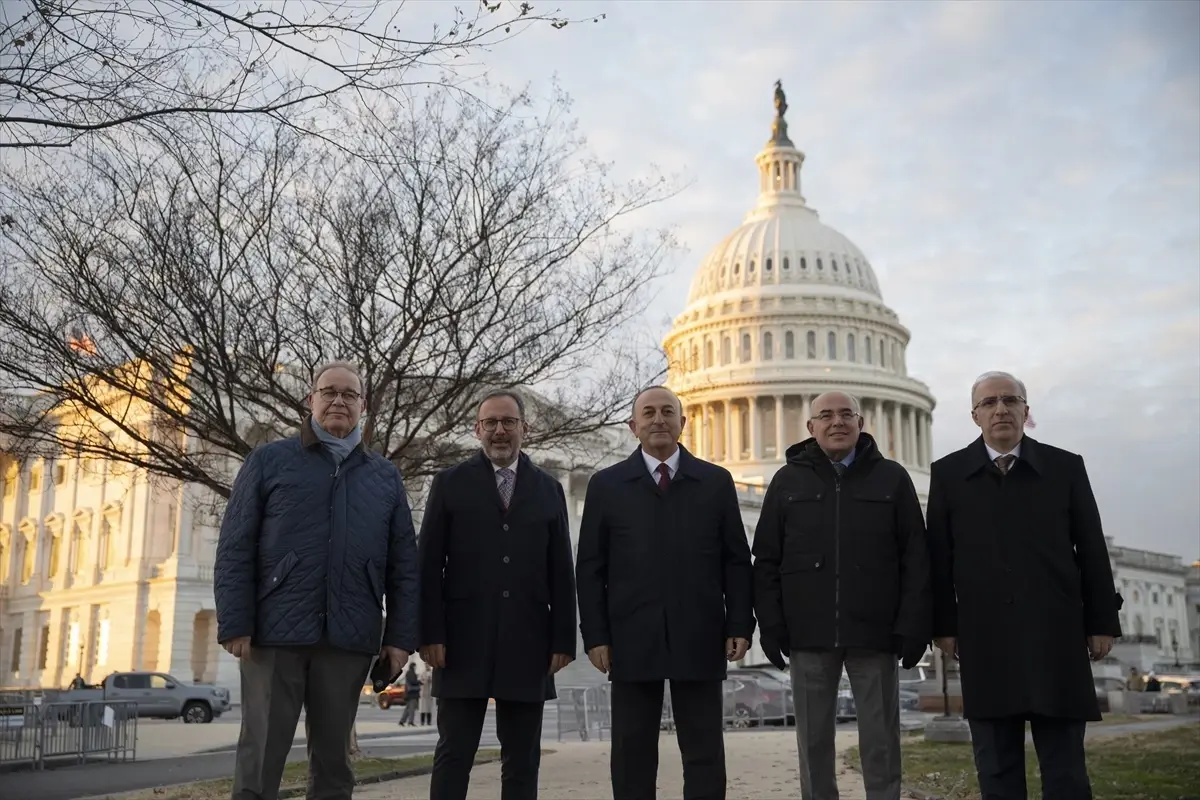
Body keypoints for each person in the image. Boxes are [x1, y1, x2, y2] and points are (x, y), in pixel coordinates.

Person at [215, 361, 420, 800]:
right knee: (261, 758)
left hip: (349, 635)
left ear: (363, 406)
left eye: (349, 394)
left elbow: (404, 563)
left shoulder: (385, 476)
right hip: (274, 634)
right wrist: (235, 622)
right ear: (311, 400)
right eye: (329, 392)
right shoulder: (268, 461)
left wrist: (400, 638)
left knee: (334, 766)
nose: (339, 401)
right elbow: (235, 546)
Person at [928, 370, 1122, 800]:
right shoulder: (948, 474)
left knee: (1065, 767)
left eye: (1010, 400)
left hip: (1056, 631)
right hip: (986, 635)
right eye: (990, 403)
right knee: (996, 765)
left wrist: (1102, 622)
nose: (1001, 409)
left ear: (1025, 411)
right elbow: (939, 559)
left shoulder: (1064, 467)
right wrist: (943, 625)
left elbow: (1090, 548)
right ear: (975, 415)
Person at [576, 385, 754, 800]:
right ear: (633, 425)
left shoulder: (715, 481)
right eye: (649, 413)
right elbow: (590, 567)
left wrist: (740, 623)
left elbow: (736, 560)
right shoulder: (607, 485)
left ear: (683, 422)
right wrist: (596, 635)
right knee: (632, 749)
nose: (658, 419)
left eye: (667, 412)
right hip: (630, 636)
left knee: (704, 749)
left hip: (700, 631)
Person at [752, 391, 930, 800]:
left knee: (881, 739)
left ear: (861, 422)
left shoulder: (892, 478)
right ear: (811, 427)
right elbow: (766, 559)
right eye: (826, 415)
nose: (837, 422)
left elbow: (916, 559)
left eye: (846, 414)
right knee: (813, 742)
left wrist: (913, 624)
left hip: (875, 630)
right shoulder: (786, 481)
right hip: (808, 630)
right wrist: (772, 624)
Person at [418, 389, 577, 800]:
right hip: (460, 642)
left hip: (528, 641)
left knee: (523, 758)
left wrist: (563, 638)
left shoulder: (548, 489)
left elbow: (561, 570)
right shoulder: (449, 484)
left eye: (509, 422)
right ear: (477, 429)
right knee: (454, 753)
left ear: (526, 428)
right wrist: (429, 633)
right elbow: (429, 564)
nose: (500, 431)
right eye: (491, 423)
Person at [399, 661, 421, 726]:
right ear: (413, 666)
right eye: (415, 666)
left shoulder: (410, 673)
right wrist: (419, 682)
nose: (415, 667)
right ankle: (410, 722)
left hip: (410, 693)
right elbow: (412, 681)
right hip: (412, 693)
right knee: (412, 708)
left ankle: (402, 721)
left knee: (408, 708)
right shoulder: (411, 673)